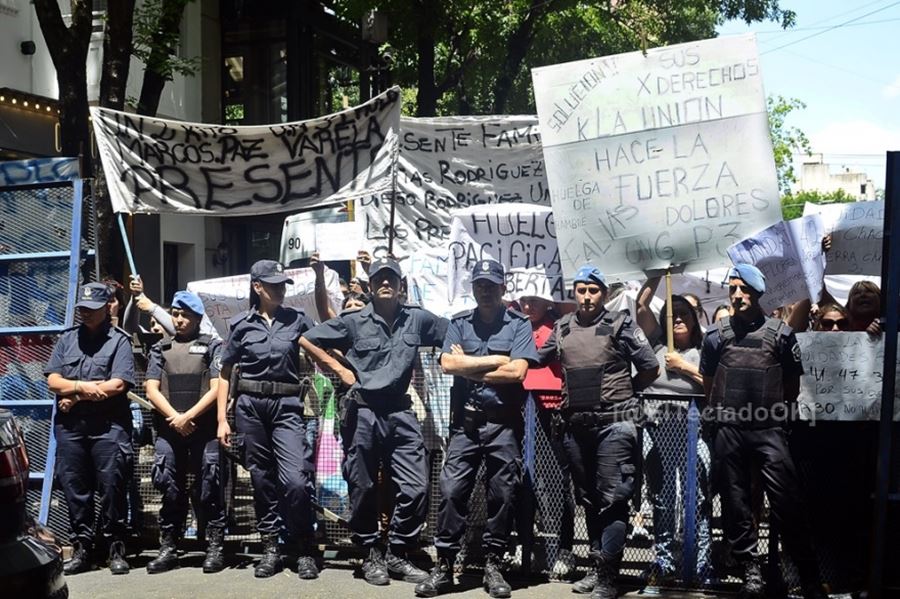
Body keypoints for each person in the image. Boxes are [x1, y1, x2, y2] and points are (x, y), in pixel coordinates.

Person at [301, 257, 447, 587]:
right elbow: (308, 339)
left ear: (400, 286)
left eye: (391, 279)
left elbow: (453, 333)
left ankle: (396, 551)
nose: (385, 283)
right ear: (369, 285)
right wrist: (338, 369)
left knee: (415, 486)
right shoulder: (353, 321)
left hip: (399, 411)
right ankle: (369, 553)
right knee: (362, 485)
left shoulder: (417, 319)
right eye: (379, 278)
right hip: (362, 412)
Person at [699, 264, 825, 599]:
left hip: (768, 429)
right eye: (733, 288)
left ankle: (808, 577)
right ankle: (749, 570)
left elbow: (791, 388)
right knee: (736, 504)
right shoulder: (715, 337)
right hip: (729, 430)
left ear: (757, 294)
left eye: (745, 290)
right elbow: (710, 386)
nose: (737, 295)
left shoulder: (781, 336)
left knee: (788, 503)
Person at [532, 265, 658, 599]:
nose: (587, 297)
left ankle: (607, 577)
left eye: (594, 290)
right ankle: (596, 566)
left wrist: (623, 391)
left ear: (604, 293)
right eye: (581, 290)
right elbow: (534, 359)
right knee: (587, 500)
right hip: (576, 426)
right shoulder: (562, 327)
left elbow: (650, 366)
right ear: (574, 292)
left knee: (613, 500)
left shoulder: (620, 324)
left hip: (615, 425)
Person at [414, 259, 538, 599]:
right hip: (465, 426)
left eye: (491, 284)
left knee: (503, 494)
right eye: (480, 284)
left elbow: (518, 374)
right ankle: (445, 566)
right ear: (473, 288)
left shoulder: (518, 325)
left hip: (504, 424)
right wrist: (497, 360)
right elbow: (447, 364)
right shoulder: (459, 323)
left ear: (503, 288)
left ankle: (493, 564)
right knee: (452, 491)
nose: (485, 290)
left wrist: (468, 368)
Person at [215, 260, 319, 580]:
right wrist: (222, 418)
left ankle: (304, 546)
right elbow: (224, 372)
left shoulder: (298, 320)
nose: (280, 289)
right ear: (257, 287)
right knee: (261, 479)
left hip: (287, 406)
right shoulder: (241, 325)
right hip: (251, 408)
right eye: (273, 284)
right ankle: (271, 546)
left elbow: (325, 345)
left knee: (296, 481)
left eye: (283, 284)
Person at [44, 282, 136, 575]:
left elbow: (118, 384)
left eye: (91, 309)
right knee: (75, 488)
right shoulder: (67, 340)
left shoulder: (119, 341)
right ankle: (83, 548)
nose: (84, 313)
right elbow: (52, 381)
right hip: (72, 428)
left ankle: (115, 548)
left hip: (109, 427)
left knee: (112, 487)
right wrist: (83, 387)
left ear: (106, 308)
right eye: (81, 308)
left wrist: (73, 396)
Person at [636, 275, 712, 584]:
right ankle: (663, 562)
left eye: (684, 313)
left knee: (699, 499)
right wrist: (659, 272)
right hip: (659, 430)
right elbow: (641, 304)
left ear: (695, 321)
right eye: (672, 312)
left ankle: (700, 566)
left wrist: (683, 367)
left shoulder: (707, 347)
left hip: (695, 433)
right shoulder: (656, 342)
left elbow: (717, 385)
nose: (678, 317)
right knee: (663, 499)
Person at [144, 291, 227, 574]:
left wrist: (189, 416)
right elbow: (151, 388)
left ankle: (214, 547)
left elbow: (218, 388)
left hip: (203, 429)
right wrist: (175, 417)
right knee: (168, 485)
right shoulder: (160, 348)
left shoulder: (213, 346)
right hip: (170, 428)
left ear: (198, 318)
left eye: (185, 315)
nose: (179, 319)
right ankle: (169, 547)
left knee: (210, 486)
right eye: (175, 314)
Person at [517, 294, 575, 577]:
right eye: (523, 300)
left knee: (559, 484)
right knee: (520, 481)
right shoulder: (514, 324)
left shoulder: (562, 324)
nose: (528, 307)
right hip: (521, 410)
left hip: (554, 413)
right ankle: (523, 544)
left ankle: (565, 549)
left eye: (534, 300)